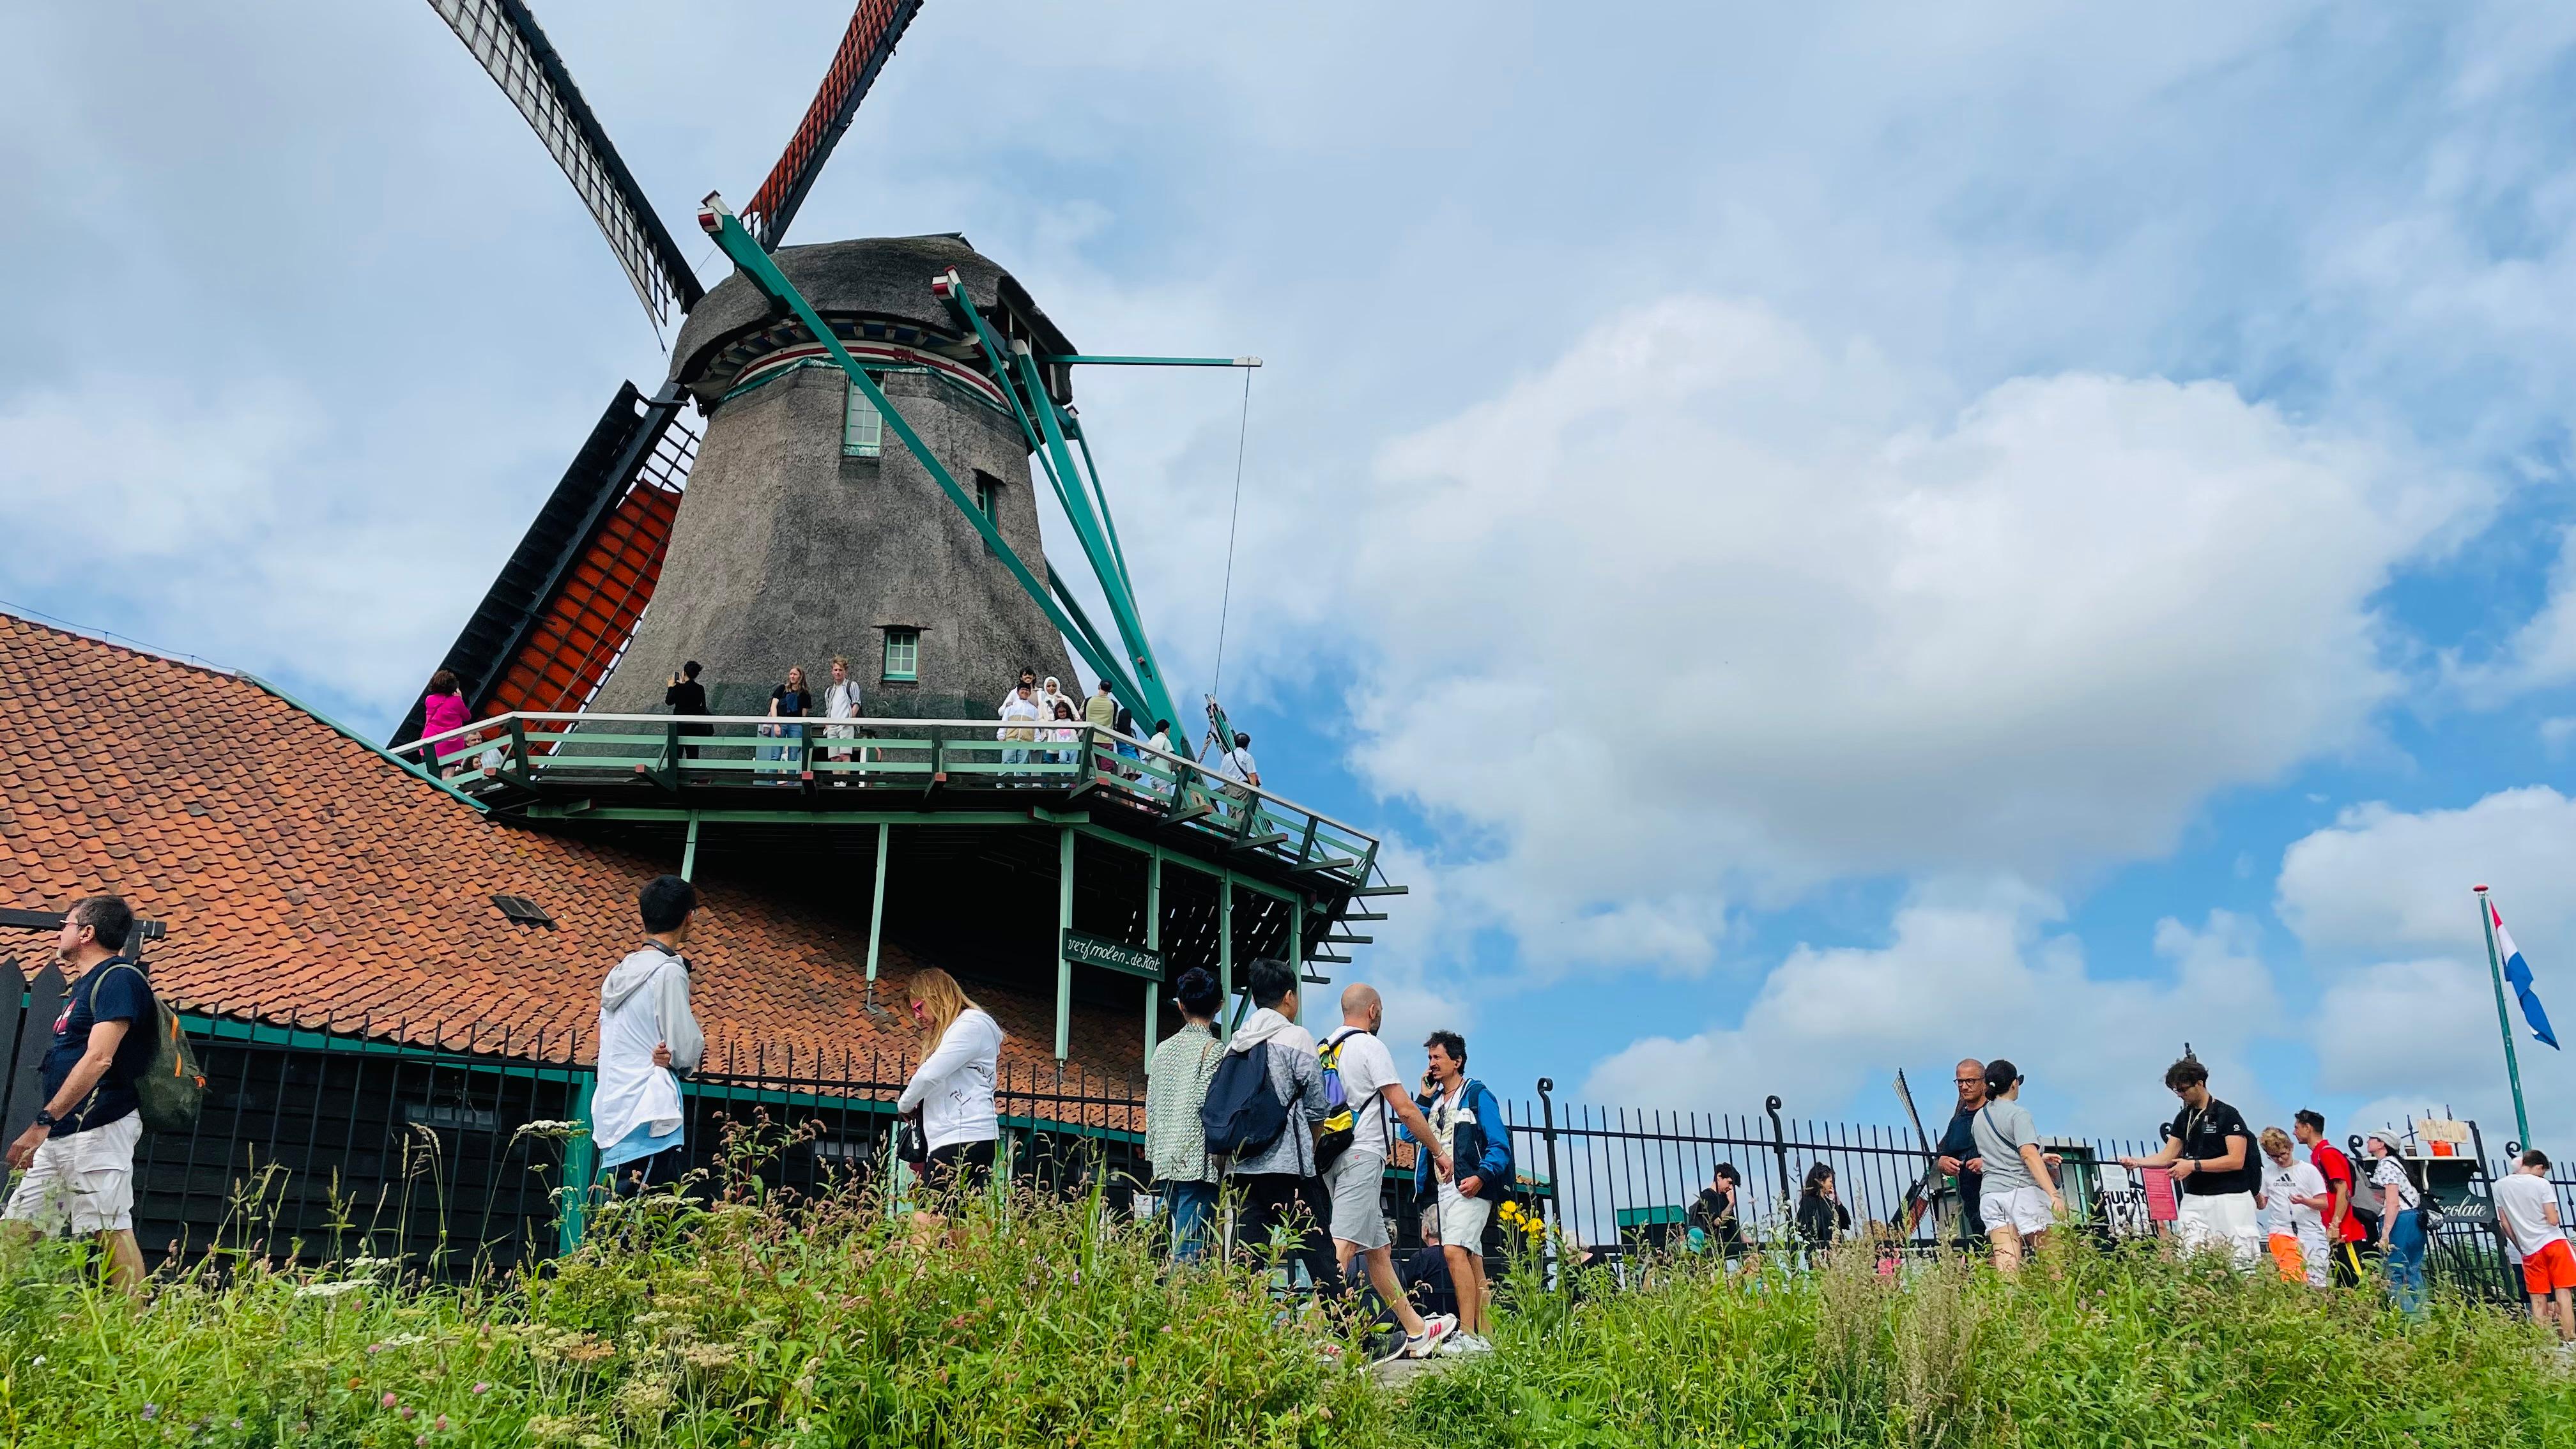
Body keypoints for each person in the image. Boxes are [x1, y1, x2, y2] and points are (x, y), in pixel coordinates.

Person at [2, 896, 152, 1290]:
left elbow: (99, 1058)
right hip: (63, 1131)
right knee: (19, 1225)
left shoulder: (119, 979)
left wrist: (42, 1122)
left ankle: (133, 1320)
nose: (60, 932)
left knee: (108, 1227)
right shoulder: (86, 985)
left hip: (100, 1125)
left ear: (86, 933)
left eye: (65, 924)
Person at [1321, 984, 1457, 1360]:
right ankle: (1315, 1335)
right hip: (1363, 1155)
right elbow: (1405, 1109)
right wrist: (1438, 1152)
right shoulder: (1370, 1046)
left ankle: (1416, 1330)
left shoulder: (1326, 1048)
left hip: (1333, 1156)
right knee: (1342, 1245)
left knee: (1379, 1252)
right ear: (1373, 1010)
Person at [1222, 958, 1345, 1307]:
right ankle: (1348, 1329)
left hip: (1241, 1168)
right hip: (1289, 1169)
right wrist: (1312, 1145)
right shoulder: (1297, 1037)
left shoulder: (1236, 1043)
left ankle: (1237, 1328)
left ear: (1255, 998)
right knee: (1320, 1255)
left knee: (1246, 1261)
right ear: (1289, 997)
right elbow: (1318, 1106)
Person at [591, 876, 706, 1196]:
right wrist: (676, 1059)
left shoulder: (619, 972)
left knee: (616, 1213)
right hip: (650, 1113)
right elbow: (686, 1048)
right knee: (647, 1218)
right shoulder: (668, 971)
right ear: (689, 917)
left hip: (614, 1111)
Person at [1407, 1030, 1510, 1353]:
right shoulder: (1436, 1102)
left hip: (1472, 1189)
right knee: (1473, 1260)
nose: (1432, 1064)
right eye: (1429, 1058)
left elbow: (1499, 1144)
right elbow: (1408, 1135)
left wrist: (1481, 1176)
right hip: (1444, 1191)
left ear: (1457, 1061)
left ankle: (1467, 1334)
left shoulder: (1477, 1095)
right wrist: (1424, 1099)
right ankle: (1487, 1338)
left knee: (1452, 1252)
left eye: (1437, 1057)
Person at [2119, 1057, 2259, 1271]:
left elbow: (2236, 1160)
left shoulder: (2227, 1114)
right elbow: (2168, 1156)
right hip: (2195, 1196)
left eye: (2183, 1089)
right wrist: (2137, 1162)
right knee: (2190, 1258)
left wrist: (2193, 1166)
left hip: (2229, 1196)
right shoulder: (2184, 1118)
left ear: (2199, 1084)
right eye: (2176, 1091)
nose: (2180, 1094)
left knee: (2240, 1260)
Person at [896, 968, 1004, 1208]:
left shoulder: (971, 1025)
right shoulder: (964, 1028)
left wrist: (904, 1104)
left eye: (919, 1007)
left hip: (960, 1136)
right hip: (964, 1137)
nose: (918, 1017)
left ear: (937, 997)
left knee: (927, 1215)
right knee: (956, 1217)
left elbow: (930, 1074)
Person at [1144, 968, 1227, 1261]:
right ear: (1220, 1005)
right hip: (1196, 1162)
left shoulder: (1162, 1050)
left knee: (1174, 1244)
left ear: (1180, 1005)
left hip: (1165, 1161)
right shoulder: (1214, 1050)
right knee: (1191, 1251)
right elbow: (1210, 1106)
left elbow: (1151, 1106)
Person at [1969, 1059, 2064, 1272]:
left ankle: (2008, 1294)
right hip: (2021, 1191)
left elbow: (1998, 1154)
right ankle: (2058, 1293)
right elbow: (2027, 1153)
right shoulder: (2018, 1114)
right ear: (2014, 1084)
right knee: (2053, 1258)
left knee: (2006, 1261)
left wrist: (2040, 1156)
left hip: (1992, 1194)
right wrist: (2053, 1194)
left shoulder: (1979, 1118)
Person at [2494, 1148, 2574, 1347]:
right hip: (2554, 1243)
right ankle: (2569, 1338)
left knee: (2537, 1298)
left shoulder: (2500, 1186)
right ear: (2539, 1167)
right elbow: (2553, 1220)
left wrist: (2520, 1245)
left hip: (2529, 1249)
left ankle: (2543, 1342)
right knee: (2563, 1293)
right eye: (2543, 1171)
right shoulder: (2541, 1184)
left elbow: (2504, 1223)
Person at [2294, 1109, 2367, 1287]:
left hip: (2344, 1231)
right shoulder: (2318, 1154)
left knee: (2357, 1281)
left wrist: (2336, 1224)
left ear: (2308, 1128)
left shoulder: (2327, 1154)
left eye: (2297, 1127)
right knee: (2343, 1282)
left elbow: (2343, 1189)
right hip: (2334, 1230)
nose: (2294, 1132)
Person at [2362, 1127, 2428, 1317]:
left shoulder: (2385, 1166)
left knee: (2394, 1271)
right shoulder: (2398, 1164)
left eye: (2372, 1138)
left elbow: (2393, 1201)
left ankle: (2407, 1318)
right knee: (2413, 1269)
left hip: (2399, 1220)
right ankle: (2423, 1316)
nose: (2368, 1142)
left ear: (2382, 1144)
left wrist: (2385, 1233)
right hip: (2415, 1218)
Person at [2255, 1126, 2329, 1286]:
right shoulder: (2267, 1173)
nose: (2280, 1160)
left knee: (2317, 1281)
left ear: (2291, 1147)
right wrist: (2254, 1192)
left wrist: (2305, 1201)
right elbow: (2262, 1205)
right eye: (2274, 1156)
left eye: (2283, 1154)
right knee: (2293, 1280)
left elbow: (2324, 1204)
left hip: (2311, 1230)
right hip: (2281, 1231)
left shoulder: (2309, 1170)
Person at [1934, 1058, 1991, 1251]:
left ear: (1984, 1082)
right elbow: (1945, 1153)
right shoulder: (1957, 1122)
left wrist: (1987, 1162)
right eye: (1960, 1081)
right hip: (1971, 1201)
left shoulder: (1995, 1114)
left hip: (1999, 1194)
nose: (1964, 1087)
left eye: (1970, 1081)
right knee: (1982, 1248)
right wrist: (1943, 1162)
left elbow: (2015, 1151)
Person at [1687, 1163, 1748, 1261]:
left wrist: (1748, 1241)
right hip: (1714, 1250)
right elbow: (1717, 1222)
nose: (1731, 1188)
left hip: (1731, 1249)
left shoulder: (1725, 1198)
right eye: (1730, 1183)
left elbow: (1733, 1225)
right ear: (1719, 1177)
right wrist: (1731, 1205)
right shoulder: (1707, 1196)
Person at [760, 665, 810, 783]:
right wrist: (776, 723)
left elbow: (804, 713)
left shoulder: (804, 694)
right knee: (776, 755)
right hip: (781, 723)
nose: (792, 676)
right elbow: (773, 706)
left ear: (800, 676)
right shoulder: (782, 689)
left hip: (796, 725)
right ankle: (772, 782)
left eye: (795, 674)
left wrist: (801, 728)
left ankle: (792, 783)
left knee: (793, 756)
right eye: (791, 674)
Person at [419, 670, 472, 778]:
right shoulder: (456, 701)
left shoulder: (429, 700)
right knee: (447, 777)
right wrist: (460, 699)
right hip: (451, 745)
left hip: (431, 743)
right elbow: (467, 717)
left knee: (430, 776)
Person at [822, 656, 863, 783]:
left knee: (845, 755)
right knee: (834, 757)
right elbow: (829, 709)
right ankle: (837, 783)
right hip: (832, 725)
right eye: (836, 670)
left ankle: (843, 782)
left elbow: (856, 703)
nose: (838, 672)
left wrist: (850, 719)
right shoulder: (829, 691)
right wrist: (827, 724)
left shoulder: (851, 685)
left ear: (845, 671)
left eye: (840, 670)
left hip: (846, 724)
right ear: (832, 672)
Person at [1795, 1163, 1851, 1255]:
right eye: (1831, 1182)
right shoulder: (1810, 1200)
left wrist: (1837, 1201)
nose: (1833, 1185)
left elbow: (1846, 1223)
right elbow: (1801, 1225)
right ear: (1821, 1182)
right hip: (1821, 1251)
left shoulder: (1829, 1202)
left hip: (1835, 1251)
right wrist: (1814, 1243)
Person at [663, 661, 711, 763]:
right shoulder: (700, 688)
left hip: (680, 726)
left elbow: (669, 702)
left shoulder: (679, 688)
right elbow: (702, 706)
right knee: (693, 754)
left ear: (684, 673)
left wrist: (671, 686)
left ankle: (676, 772)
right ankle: (693, 772)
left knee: (677, 754)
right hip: (694, 725)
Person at [997, 679, 1042, 776]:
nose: (1025, 691)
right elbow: (1004, 722)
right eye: (1022, 690)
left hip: (1027, 741)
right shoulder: (1010, 708)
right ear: (1017, 692)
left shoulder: (1034, 710)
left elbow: (1036, 727)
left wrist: (1037, 741)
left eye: (1027, 690)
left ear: (1030, 693)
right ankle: (1002, 782)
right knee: (1007, 761)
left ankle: (1020, 784)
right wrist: (1001, 736)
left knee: (1022, 765)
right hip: (1011, 738)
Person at [1084, 679, 1119, 778]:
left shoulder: (1088, 701)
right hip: (1107, 740)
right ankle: (1104, 787)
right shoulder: (1113, 704)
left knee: (1089, 767)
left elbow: (1079, 716)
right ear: (1110, 690)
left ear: (1099, 686)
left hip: (1091, 738)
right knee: (1106, 771)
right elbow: (1116, 722)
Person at [1048, 700, 1080, 767]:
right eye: (1060, 712)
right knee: (1062, 761)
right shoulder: (1056, 723)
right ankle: (1063, 773)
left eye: (1064, 711)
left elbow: (1079, 732)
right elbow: (1051, 733)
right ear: (1057, 713)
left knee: (1073, 764)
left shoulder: (1072, 722)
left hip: (1074, 746)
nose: (1062, 714)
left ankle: (1072, 774)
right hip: (1062, 746)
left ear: (1067, 711)